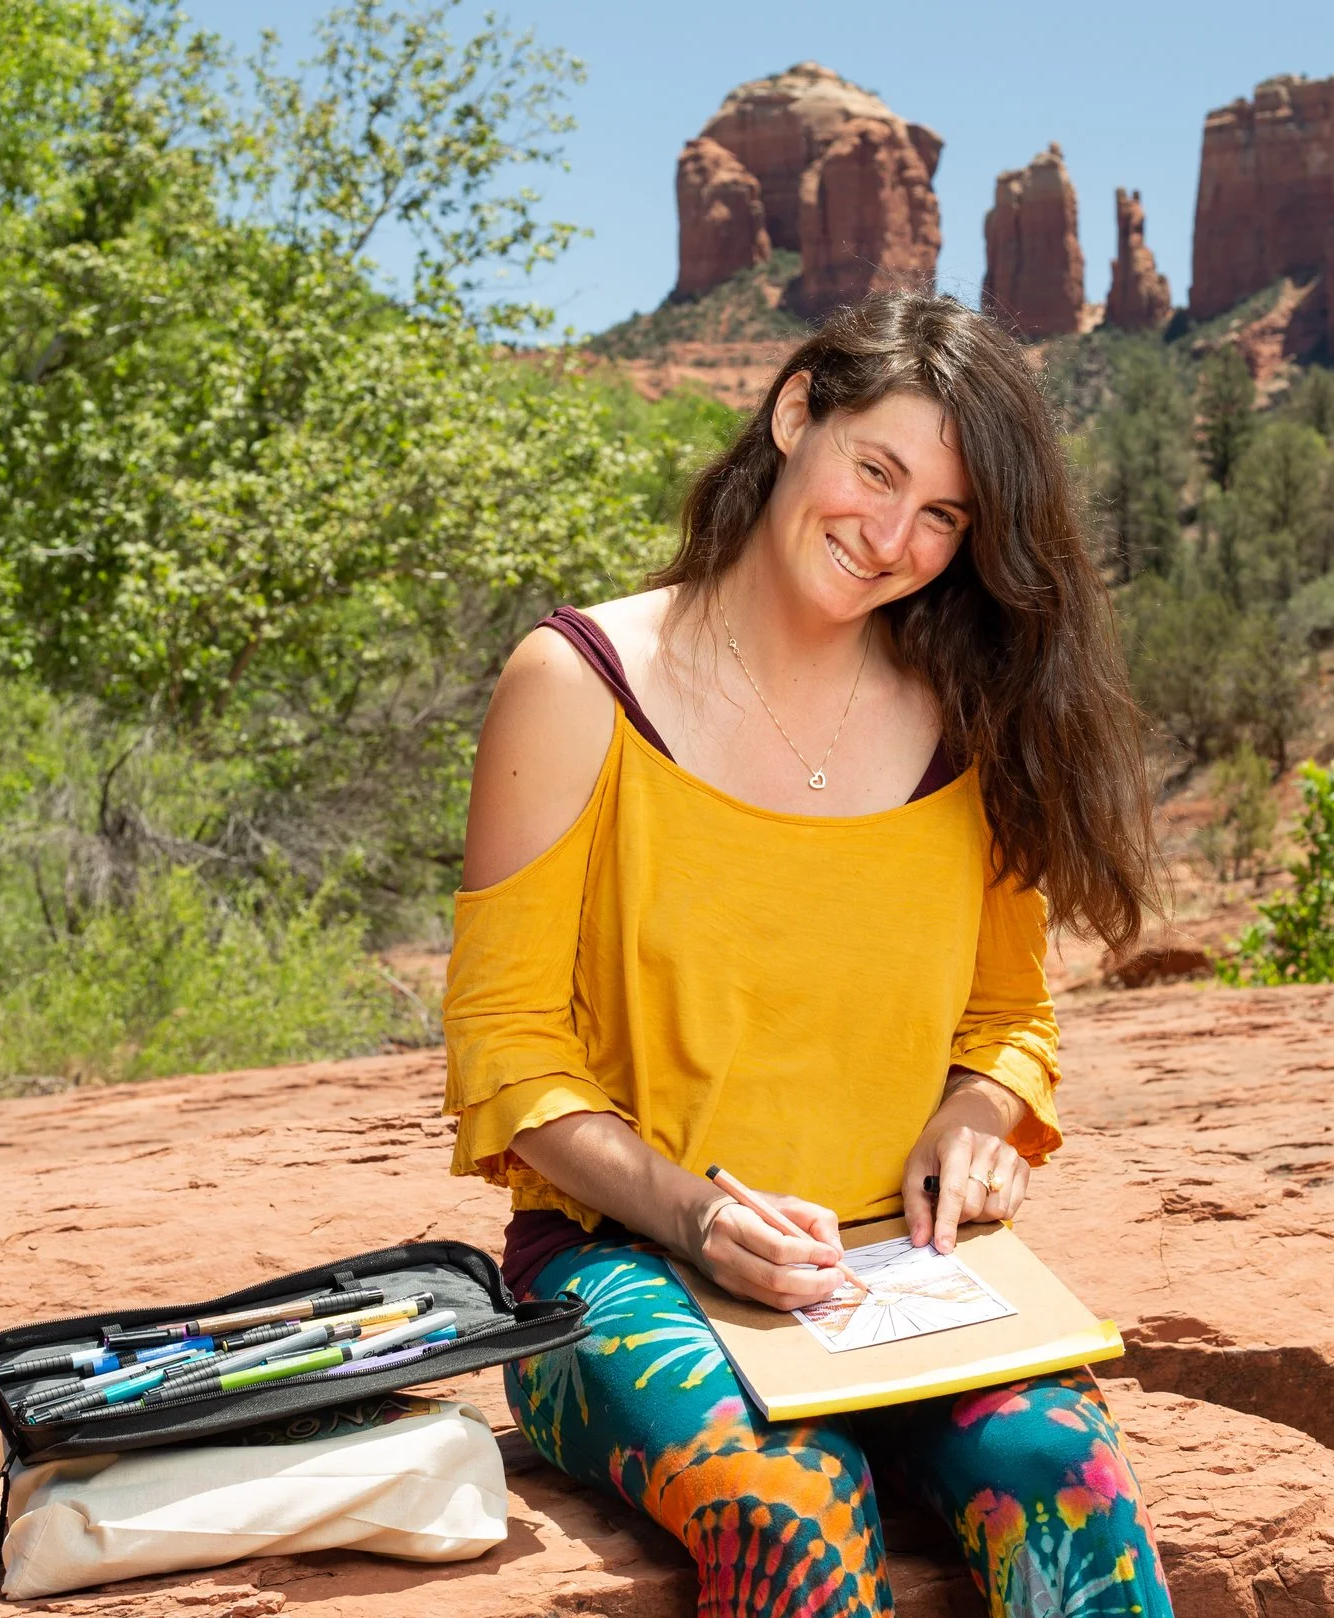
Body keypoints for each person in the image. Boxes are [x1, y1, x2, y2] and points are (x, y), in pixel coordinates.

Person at [443, 291, 1172, 1618]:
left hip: (905, 1279)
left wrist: (974, 1117)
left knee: (1066, 1470)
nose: (891, 540)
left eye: (944, 515)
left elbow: (1008, 1017)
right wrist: (699, 1216)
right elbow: (508, 1050)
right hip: (617, 1269)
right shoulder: (578, 683)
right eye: (876, 470)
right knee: (791, 1498)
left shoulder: (974, 718)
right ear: (795, 415)